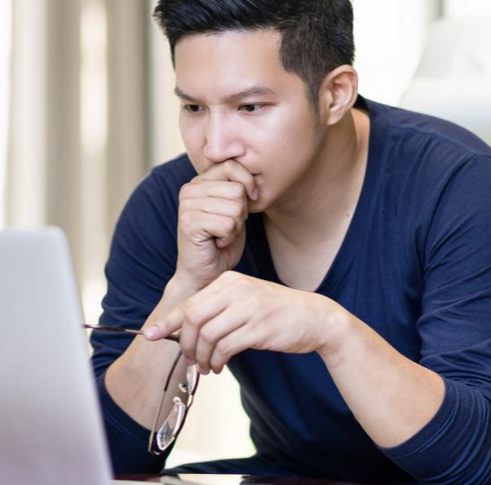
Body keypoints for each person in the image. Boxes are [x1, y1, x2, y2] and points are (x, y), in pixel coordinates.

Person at [89, 0, 491, 483]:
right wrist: (187, 285)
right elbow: (108, 460)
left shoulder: (460, 187)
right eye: (194, 107)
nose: (215, 147)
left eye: (250, 107)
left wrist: (331, 331)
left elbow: (473, 461)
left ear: (335, 94)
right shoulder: (170, 204)